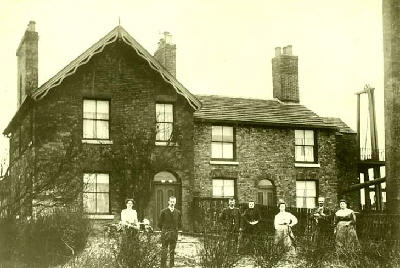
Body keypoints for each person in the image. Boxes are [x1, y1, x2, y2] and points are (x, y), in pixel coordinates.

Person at [158, 196, 182, 268]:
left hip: (174, 234)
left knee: (172, 250)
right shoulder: (163, 211)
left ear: (175, 202)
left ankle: (171, 265)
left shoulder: (178, 212)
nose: (172, 203)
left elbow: (179, 224)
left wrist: (175, 230)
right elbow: (159, 224)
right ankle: (163, 265)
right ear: (168, 202)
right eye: (171, 201)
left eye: (173, 202)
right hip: (165, 233)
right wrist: (164, 230)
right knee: (164, 249)